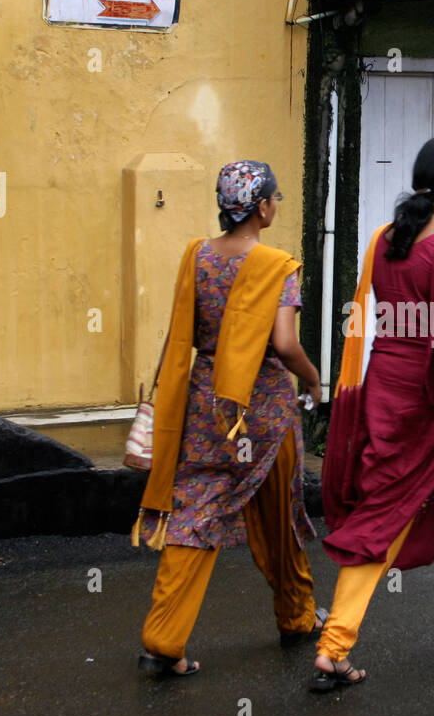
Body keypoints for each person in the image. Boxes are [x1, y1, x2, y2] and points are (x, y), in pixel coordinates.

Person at [316, 136, 434, 691]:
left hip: (386, 393)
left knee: (406, 509)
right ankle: (339, 644)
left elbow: (378, 321)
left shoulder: (382, 239)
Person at [133, 160, 326, 676]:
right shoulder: (276, 264)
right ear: (262, 206)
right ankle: (297, 616)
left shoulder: (196, 257)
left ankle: (163, 638)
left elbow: (183, 333)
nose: (277, 206)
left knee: (194, 513)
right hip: (262, 410)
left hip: (204, 407)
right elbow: (284, 345)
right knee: (279, 515)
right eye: (275, 198)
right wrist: (312, 378)